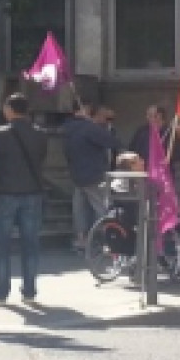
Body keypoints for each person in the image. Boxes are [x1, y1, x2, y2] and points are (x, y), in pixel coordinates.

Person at [0, 93, 50, 305]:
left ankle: (1, 293)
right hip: (32, 192)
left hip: (4, 193)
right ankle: (29, 291)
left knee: (1, 246)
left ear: (9, 110)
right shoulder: (40, 135)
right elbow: (41, 159)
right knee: (30, 244)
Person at [63, 103, 122, 252]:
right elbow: (113, 142)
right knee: (101, 207)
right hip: (94, 174)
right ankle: (105, 239)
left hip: (76, 174)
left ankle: (81, 238)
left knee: (79, 208)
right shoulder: (89, 128)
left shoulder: (69, 128)